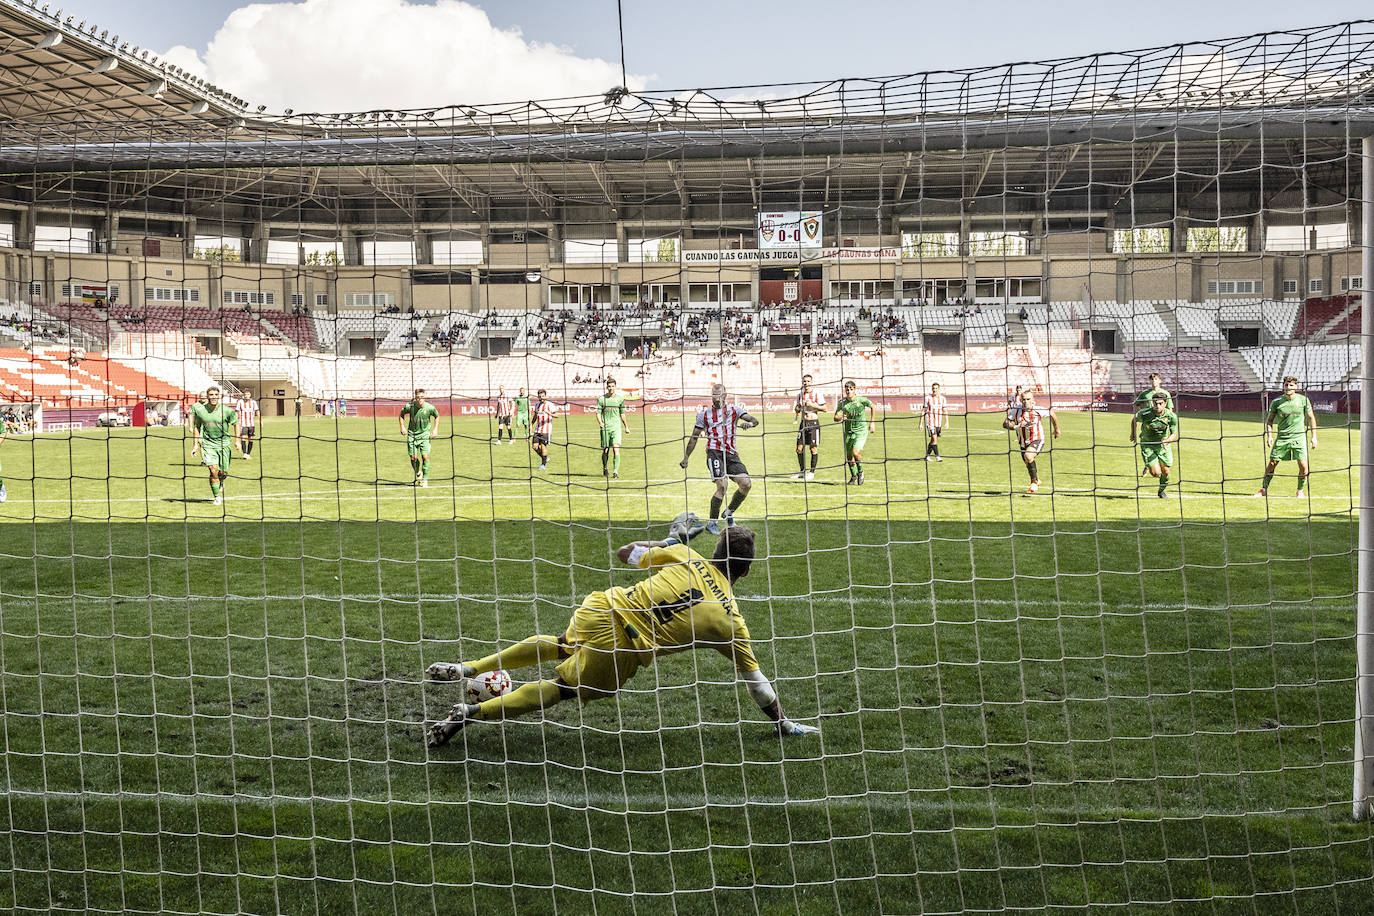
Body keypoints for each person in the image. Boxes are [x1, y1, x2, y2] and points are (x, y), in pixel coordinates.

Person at [425, 523, 819, 746]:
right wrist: (782, 721)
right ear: (745, 572)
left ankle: (469, 667)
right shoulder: (732, 623)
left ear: (715, 552)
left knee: (562, 644)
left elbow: (625, 553)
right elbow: (759, 688)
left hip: (602, 606)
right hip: (623, 648)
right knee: (562, 688)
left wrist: (670, 540)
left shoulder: (688, 555)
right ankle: (472, 712)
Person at [680, 383, 760, 533]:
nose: (716, 399)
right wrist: (686, 457)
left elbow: (755, 420)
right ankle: (712, 523)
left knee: (746, 484)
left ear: (725, 395)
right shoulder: (704, 414)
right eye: (713, 396)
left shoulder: (735, 410)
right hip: (714, 452)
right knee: (722, 486)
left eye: (719, 396)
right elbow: (694, 437)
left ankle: (729, 512)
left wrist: (748, 424)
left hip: (731, 454)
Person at [1256, 375, 1317, 497]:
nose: (1288, 387)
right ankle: (1263, 489)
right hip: (1282, 438)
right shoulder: (1277, 402)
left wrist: (1314, 436)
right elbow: (1269, 421)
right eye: (1286, 385)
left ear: (1296, 387)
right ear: (1283, 387)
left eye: (1291, 385)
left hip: (1299, 437)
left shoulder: (1303, 400)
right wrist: (1269, 436)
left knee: (1303, 465)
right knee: (1272, 463)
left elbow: (1311, 418)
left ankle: (1300, 490)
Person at [189, 385, 240, 507]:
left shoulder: (227, 411)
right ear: (207, 396)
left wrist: (237, 441)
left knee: (223, 472)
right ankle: (217, 497)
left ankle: (221, 481)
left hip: (224, 444)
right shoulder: (200, 410)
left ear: (219, 396)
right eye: (211, 395)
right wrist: (195, 445)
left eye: (216, 395)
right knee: (213, 471)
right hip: (208, 445)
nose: (213, 397)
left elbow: (236, 423)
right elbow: (197, 426)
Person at [1003, 389, 1060, 494]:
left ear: (1033, 400)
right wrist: (1017, 426)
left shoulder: (1038, 409)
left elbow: (1052, 413)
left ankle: (1033, 483)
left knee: (1028, 456)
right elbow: (1005, 423)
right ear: (1021, 400)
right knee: (1027, 461)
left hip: (1037, 439)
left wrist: (1056, 429)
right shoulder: (1016, 410)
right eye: (1023, 399)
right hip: (1023, 442)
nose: (1026, 401)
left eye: (1028, 399)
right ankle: (1036, 480)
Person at [1130, 392, 1179, 498]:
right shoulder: (1145, 413)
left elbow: (1174, 434)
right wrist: (1133, 433)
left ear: (1165, 403)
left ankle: (1161, 491)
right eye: (1155, 403)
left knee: (1166, 471)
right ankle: (1152, 467)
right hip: (1147, 444)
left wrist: (1168, 440)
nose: (1157, 406)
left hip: (1163, 445)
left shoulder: (1171, 416)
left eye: (1160, 403)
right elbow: (1134, 419)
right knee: (1156, 473)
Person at [834, 380, 876, 486]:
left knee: (856, 452)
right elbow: (835, 417)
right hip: (848, 432)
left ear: (855, 390)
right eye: (847, 389)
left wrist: (872, 422)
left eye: (851, 389)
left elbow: (873, 406)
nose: (848, 391)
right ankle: (853, 476)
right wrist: (840, 417)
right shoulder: (842, 403)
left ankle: (861, 472)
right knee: (849, 457)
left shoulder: (861, 400)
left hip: (861, 431)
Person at [399, 388, 440, 488]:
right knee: (413, 457)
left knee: (425, 456)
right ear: (415, 398)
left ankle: (425, 479)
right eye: (418, 397)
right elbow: (401, 414)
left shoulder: (429, 407)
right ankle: (418, 472)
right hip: (412, 435)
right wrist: (402, 426)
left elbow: (437, 416)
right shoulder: (409, 406)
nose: (420, 399)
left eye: (422, 397)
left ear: (424, 397)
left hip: (425, 435)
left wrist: (435, 430)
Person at [791, 373, 825, 481]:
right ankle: (802, 471)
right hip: (803, 423)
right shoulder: (800, 395)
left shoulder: (817, 394)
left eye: (808, 381)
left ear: (812, 382)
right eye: (804, 381)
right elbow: (797, 410)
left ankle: (811, 472)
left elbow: (825, 408)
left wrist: (812, 405)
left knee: (813, 448)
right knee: (799, 449)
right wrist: (799, 406)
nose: (806, 383)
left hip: (813, 423)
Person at [596, 377, 631, 479]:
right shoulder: (601, 399)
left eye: (613, 386)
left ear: (616, 387)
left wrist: (626, 427)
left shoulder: (620, 399)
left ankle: (615, 472)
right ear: (607, 387)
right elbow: (598, 413)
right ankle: (605, 467)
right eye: (609, 386)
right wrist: (600, 422)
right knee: (605, 450)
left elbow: (622, 414)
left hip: (616, 427)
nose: (611, 388)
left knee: (616, 449)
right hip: (605, 428)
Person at [921, 382, 948, 462]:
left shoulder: (943, 399)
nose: (934, 390)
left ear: (939, 389)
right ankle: (937, 456)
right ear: (931, 389)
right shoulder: (927, 398)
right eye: (933, 388)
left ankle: (927, 456)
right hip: (930, 421)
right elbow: (923, 410)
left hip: (938, 422)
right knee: (934, 439)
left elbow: (945, 410)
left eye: (936, 388)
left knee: (933, 440)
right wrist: (921, 423)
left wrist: (947, 421)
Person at [531, 388, 557, 471]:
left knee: (543, 446)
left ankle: (543, 464)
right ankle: (545, 458)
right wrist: (531, 424)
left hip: (546, 430)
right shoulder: (537, 404)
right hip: (537, 429)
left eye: (543, 396)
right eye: (539, 396)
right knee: (534, 447)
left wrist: (549, 413)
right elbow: (535, 415)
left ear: (545, 396)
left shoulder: (550, 405)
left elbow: (557, 415)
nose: (541, 398)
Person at [234, 393, 259, 460]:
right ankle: (245, 453)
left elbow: (257, 411)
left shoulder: (253, 402)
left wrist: (260, 420)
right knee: (243, 438)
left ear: (250, 395)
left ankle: (248, 453)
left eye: (248, 394)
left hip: (251, 424)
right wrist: (236, 421)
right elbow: (236, 411)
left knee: (251, 439)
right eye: (245, 394)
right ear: (244, 395)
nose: (246, 395)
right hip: (243, 424)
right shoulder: (240, 402)